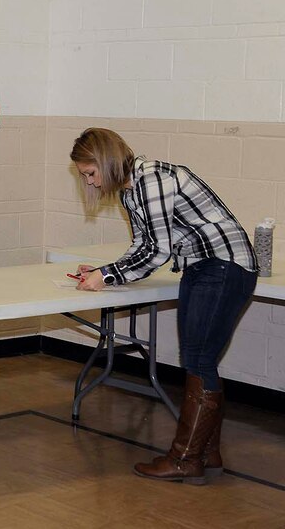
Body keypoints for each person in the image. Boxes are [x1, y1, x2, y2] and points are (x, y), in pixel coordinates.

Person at [69, 127, 258, 484]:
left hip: (221, 266)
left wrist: (108, 276)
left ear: (106, 161)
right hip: (207, 267)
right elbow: (142, 245)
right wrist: (102, 271)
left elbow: (158, 251)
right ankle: (206, 454)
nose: (91, 184)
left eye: (91, 173)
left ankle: (185, 459)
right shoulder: (131, 190)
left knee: (199, 359)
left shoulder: (151, 179)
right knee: (201, 360)